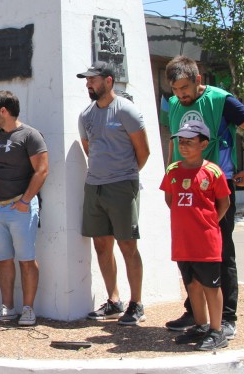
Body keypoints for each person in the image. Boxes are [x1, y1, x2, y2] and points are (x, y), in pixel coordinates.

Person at [164, 55, 244, 339]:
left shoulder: (221, 100)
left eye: (184, 87)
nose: (180, 94)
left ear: (198, 80)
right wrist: (170, 178)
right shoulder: (173, 105)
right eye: (175, 89)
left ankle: (227, 317)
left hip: (216, 185)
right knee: (189, 253)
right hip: (185, 187)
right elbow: (174, 142)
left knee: (220, 252)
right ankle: (196, 314)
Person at [77, 61, 150, 325]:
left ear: (108, 81)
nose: (88, 84)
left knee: (128, 245)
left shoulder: (127, 111)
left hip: (122, 185)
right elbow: (90, 148)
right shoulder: (86, 116)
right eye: (87, 80)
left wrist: (123, 175)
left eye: (92, 80)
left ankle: (136, 303)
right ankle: (114, 300)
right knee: (101, 245)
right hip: (94, 186)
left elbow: (143, 151)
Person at [160, 121, 230, 351]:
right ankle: (200, 326)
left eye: (190, 142)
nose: (184, 146)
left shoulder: (212, 171)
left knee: (211, 286)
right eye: (181, 141)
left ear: (204, 144)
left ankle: (216, 330)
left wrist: (206, 224)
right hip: (183, 241)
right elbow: (170, 200)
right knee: (192, 285)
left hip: (206, 241)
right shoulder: (172, 170)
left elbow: (224, 203)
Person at [0, 91, 48, 326]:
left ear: (3, 111)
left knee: (26, 259)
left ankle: (28, 309)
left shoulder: (31, 135)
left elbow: (41, 171)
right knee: (3, 260)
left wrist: (24, 202)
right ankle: (7, 308)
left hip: (21, 207)